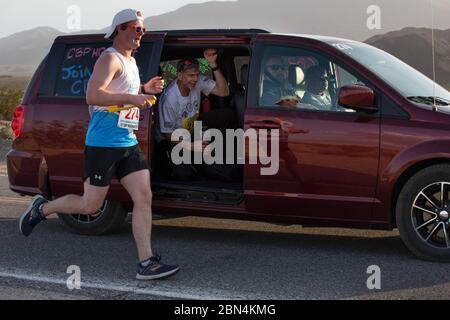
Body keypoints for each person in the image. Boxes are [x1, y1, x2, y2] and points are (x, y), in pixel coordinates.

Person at [19, 9, 180, 280]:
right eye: (138, 29)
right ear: (121, 29)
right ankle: (42, 208)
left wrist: (143, 89)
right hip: (103, 143)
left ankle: (146, 262)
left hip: (126, 141)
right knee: (90, 206)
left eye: (144, 30)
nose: (142, 35)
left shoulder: (130, 62)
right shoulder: (109, 59)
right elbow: (93, 95)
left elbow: (122, 92)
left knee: (144, 197)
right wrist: (133, 100)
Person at [157, 50, 237, 181]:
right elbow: (167, 134)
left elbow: (224, 91)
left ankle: (225, 152)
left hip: (192, 127)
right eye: (190, 75)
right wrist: (192, 146)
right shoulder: (170, 99)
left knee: (227, 115)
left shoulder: (197, 81)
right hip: (173, 139)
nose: (194, 79)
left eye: (196, 74)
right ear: (179, 76)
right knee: (185, 175)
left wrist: (213, 64)